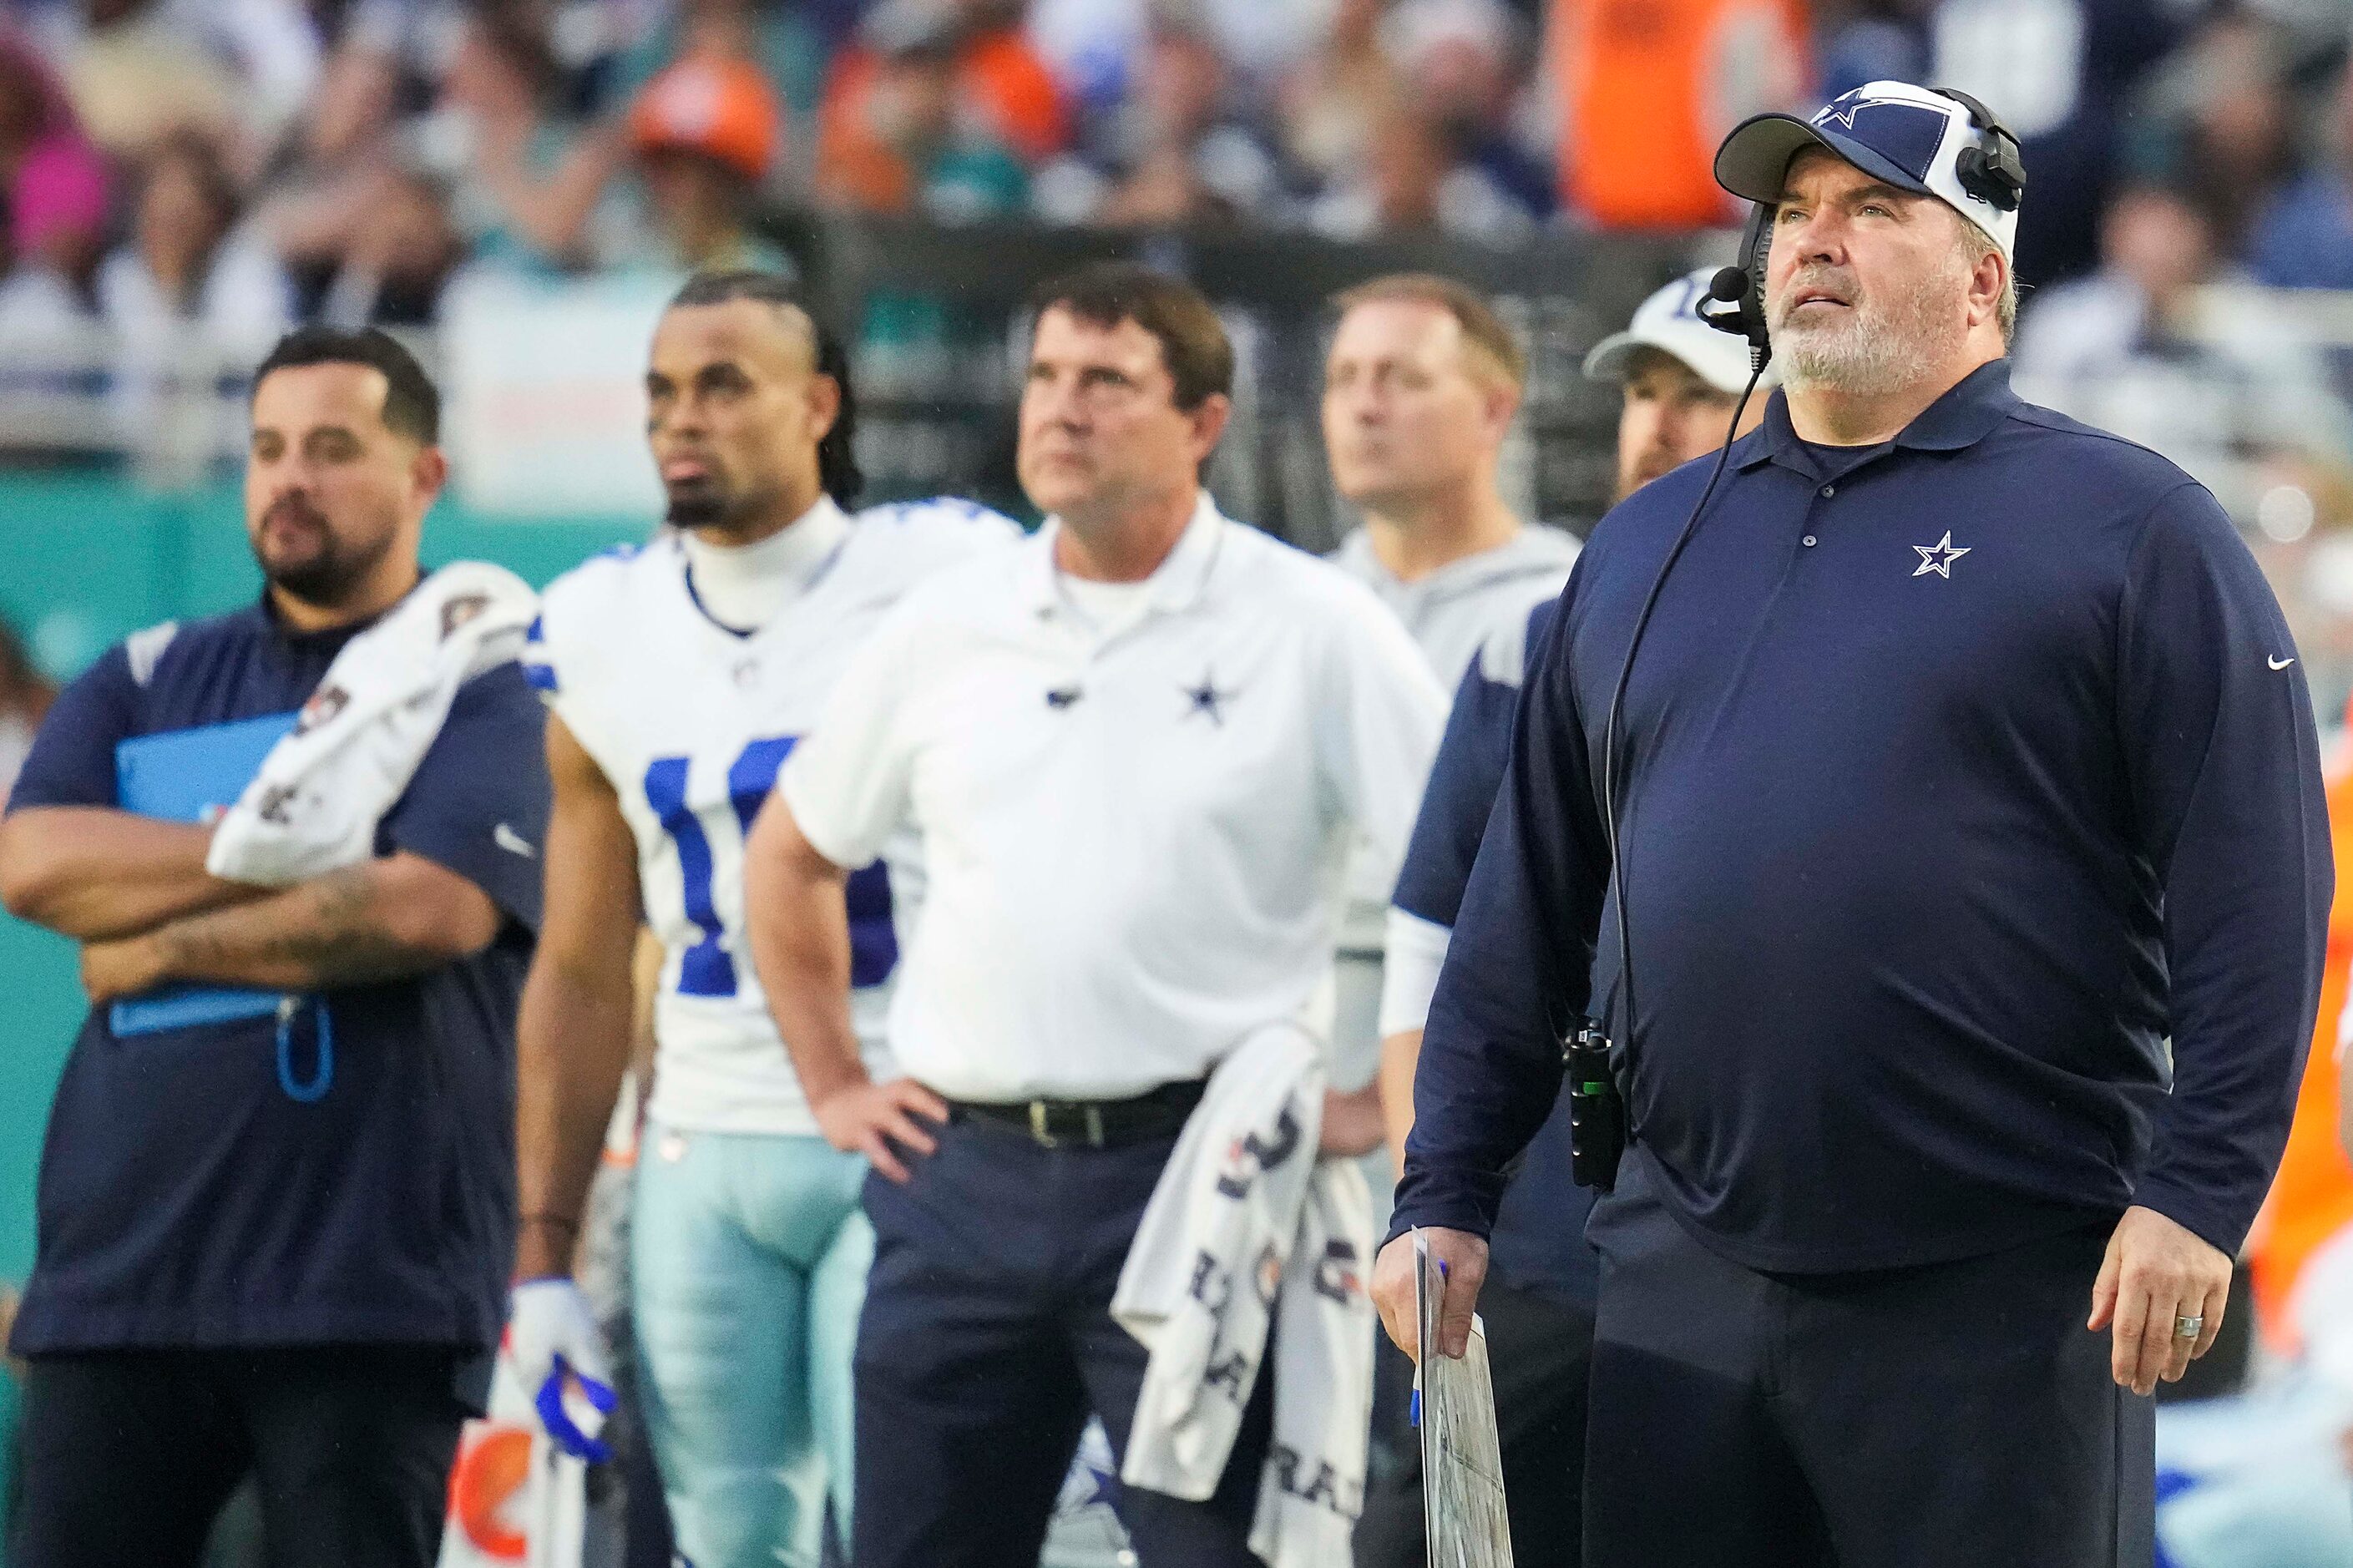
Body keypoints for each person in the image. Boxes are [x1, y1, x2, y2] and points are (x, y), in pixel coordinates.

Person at [1375, 78, 2331, 1568]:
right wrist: (1440, 1184)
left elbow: (2258, 889)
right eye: (1794, 212)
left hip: (2001, 1289)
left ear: (1983, 275)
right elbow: (1527, 905)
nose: (1813, 240)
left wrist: (2199, 1196)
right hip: (1682, 1272)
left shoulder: (2130, 528)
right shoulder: (1645, 542)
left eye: (1873, 208)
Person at [741, 261, 1447, 1567]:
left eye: (1107, 383)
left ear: (1202, 423)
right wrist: (836, 1080)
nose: (1061, 411)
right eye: (1047, 378)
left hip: (1202, 1178)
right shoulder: (945, 624)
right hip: (956, 1179)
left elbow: (1456, 892)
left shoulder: (1315, 626)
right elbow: (785, 857)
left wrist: (1381, 1112)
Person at [0, 326, 549, 1568]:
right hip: (121, 1280)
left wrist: (151, 939)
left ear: (424, 478)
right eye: (266, 449)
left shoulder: (482, 682)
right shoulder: (144, 673)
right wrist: (278, 844)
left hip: (364, 1282)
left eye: (333, 449)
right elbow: (31, 864)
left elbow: (427, 911)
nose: (288, 477)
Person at [509, 269, 1016, 1568]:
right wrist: (544, 1250)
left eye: (723, 383)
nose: (683, 418)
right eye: (663, 390)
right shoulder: (596, 622)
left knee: (917, 1532)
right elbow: (576, 964)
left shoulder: (951, 571)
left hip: (912, 1117)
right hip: (701, 1146)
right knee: (729, 1542)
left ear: (817, 404)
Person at [1351, 266, 1768, 1568]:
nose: (1653, 423)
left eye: (1694, 392)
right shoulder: (1532, 640)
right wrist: (1433, 1193)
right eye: (1642, 390)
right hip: (1527, 1245)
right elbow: (1432, 938)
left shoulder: (1859, 642)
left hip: (1740, 1262)